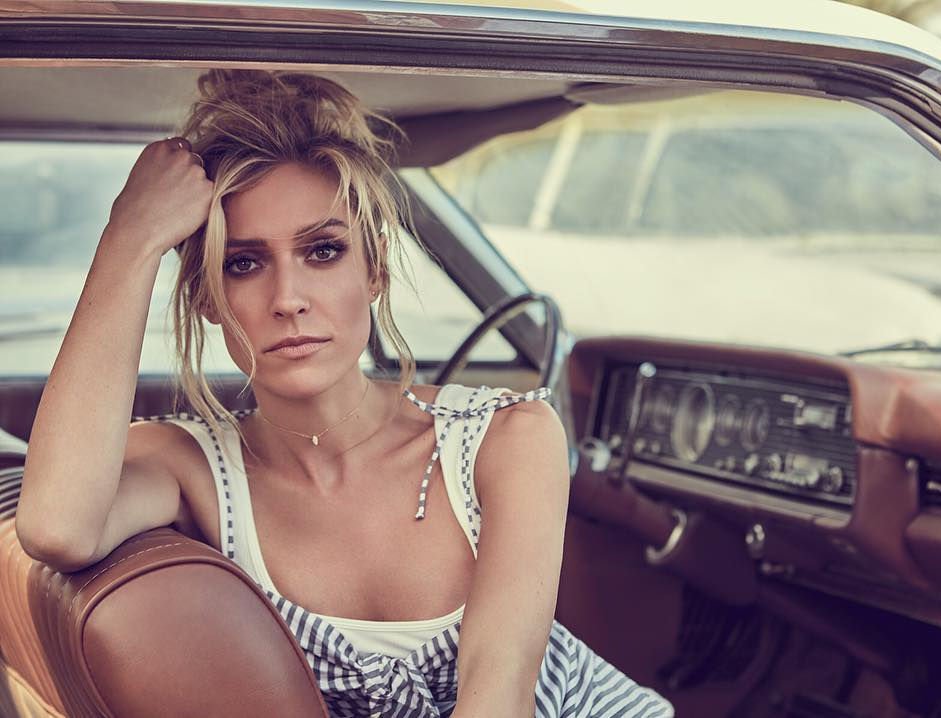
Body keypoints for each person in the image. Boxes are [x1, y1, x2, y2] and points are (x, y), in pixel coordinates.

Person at [16, 69, 673, 717]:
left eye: (323, 251)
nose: (288, 299)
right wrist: (129, 240)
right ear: (208, 297)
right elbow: (56, 530)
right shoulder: (191, 465)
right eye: (244, 263)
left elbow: (498, 696)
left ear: (375, 270)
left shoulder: (508, 436)